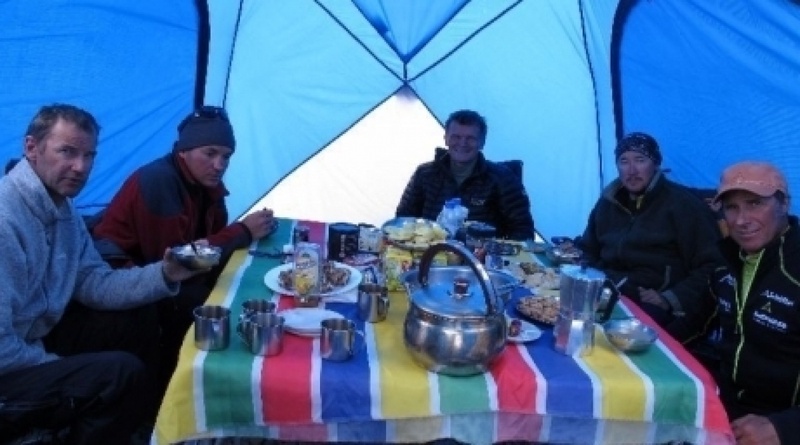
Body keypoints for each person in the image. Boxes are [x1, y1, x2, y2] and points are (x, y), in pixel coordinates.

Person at [0, 104, 202, 444]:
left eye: (89, 156)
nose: (80, 167)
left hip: (31, 336)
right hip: (8, 369)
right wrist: (60, 366)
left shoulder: (63, 212)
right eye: (67, 152)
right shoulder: (6, 222)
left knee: (138, 318)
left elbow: (94, 282)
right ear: (31, 148)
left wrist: (165, 273)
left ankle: (143, 424)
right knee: (119, 374)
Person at [91, 105, 276, 399]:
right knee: (203, 305)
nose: (219, 165)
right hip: (120, 277)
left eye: (226, 156)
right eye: (210, 153)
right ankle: (176, 394)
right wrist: (242, 231)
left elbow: (208, 241)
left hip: (160, 271)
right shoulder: (159, 181)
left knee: (243, 285)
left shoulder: (204, 184)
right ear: (184, 152)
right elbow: (177, 263)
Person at [578, 132, 723, 343]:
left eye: (640, 160)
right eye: (624, 161)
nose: (632, 170)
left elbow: (714, 265)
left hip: (654, 299)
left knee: (616, 344)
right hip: (609, 290)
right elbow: (588, 249)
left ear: (655, 163)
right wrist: (586, 272)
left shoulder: (683, 205)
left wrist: (670, 298)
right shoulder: (608, 203)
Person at [709, 161, 799, 445]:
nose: (741, 220)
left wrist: (785, 428)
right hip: (726, 409)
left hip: (779, 423)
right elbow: (696, 322)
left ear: (783, 204)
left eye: (754, 203)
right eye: (732, 208)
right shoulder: (727, 260)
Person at [395, 109, 535, 240]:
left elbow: (523, 231)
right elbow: (402, 220)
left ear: (482, 142)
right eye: (456, 137)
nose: (463, 143)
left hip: (481, 260)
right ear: (446, 139)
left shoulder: (503, 179)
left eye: (471, 138)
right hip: (428, 255)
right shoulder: (424, 173)